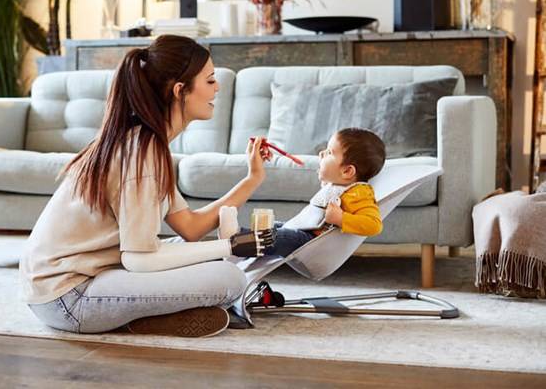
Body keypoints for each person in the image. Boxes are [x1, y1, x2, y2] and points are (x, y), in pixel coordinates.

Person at [20, 35, 274, 338]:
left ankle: (143, 316)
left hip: (70, 286)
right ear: (180, 90)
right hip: (69, 297)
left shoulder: (145, 143)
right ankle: (134, 318)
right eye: (209, 80)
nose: (217, 87)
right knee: (230, 278)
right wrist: (229, 247)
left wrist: (252, 179)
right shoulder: (142, 154)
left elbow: (190, 228)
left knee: (197, 252)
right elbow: (139, 259)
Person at [219, 128, 386, 257]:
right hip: (304, 231)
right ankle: (239, 235)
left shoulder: (359, 194)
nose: (321, 154)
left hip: (311, 242)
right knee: (274, 225)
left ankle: (236, 240)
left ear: (347, 172)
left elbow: (374, 225)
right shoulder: (338, 185)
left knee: (278, 236)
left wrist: (342, 219)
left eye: (329, 152)